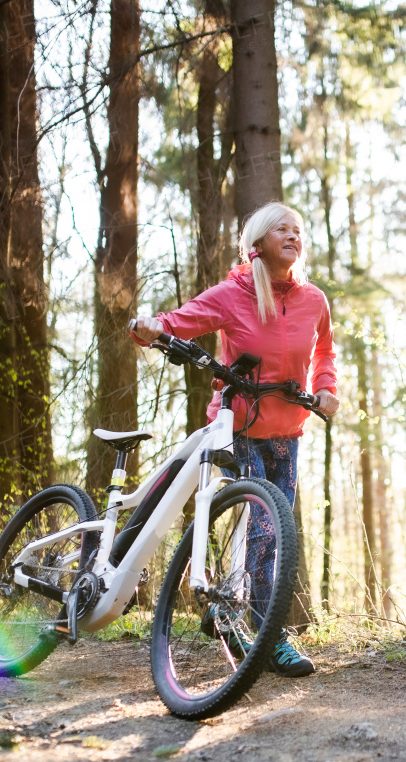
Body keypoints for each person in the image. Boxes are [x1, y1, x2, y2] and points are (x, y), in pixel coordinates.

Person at [131, 201, 339, 678]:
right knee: (265, 526)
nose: (293, 235)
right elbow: (186, 318)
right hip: (241, 426)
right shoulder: (235, 292)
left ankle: (249, 623)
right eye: (281, 229)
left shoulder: (314, 300)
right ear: (258, 243)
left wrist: (326, 388)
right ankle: (265, 632)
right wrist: (153, 328)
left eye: (298, 230)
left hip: (288, 431)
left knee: (275, 537)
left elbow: (324, 349)